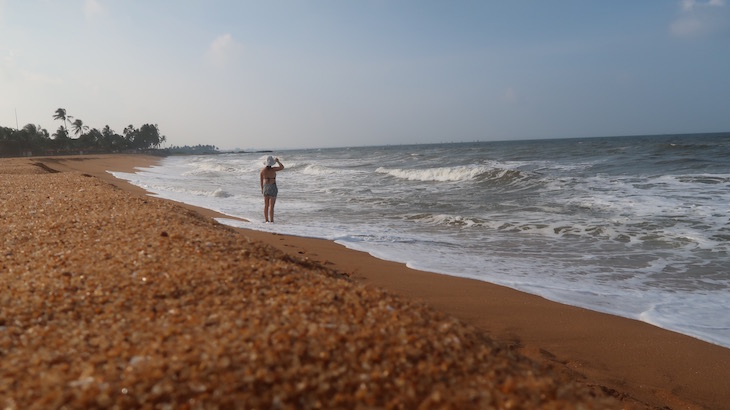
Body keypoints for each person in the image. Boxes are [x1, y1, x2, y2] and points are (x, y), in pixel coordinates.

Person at [260, 156, 284, 223]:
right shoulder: (273, 169)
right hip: (272, 186)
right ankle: (272, 221)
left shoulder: (262, 170)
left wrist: (262, 189)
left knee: (266, 205)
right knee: (271, 206)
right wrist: (278, 161)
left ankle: (266, 220)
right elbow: (282, 167)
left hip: (265, 187)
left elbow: (261, 181)